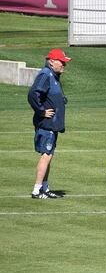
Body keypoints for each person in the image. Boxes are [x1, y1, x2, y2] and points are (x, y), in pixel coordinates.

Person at [27, 49, 71, 199]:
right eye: (62, 61)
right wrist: (41, 111)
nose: (64, 65)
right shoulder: (46, 75)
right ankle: (37, 190)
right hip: (47, 124)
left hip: (52, 124)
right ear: (51, 61)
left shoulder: (53, 75)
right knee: (46, 155)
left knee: (49, 155)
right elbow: (33, 94)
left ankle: (44, 188)